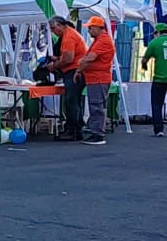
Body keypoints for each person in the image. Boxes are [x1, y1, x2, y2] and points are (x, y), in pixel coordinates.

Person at [45, 16, 87, 141]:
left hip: (74, 71)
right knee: (75, 101)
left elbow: (68, 58)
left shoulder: (69, 36)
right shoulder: (70, 34)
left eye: (53, 28)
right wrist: (58, 59)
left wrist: (54, 65)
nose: (53, 32)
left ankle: (72, 130)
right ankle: (77, 129)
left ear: (60, 25)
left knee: (71, 101)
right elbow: (68, 56)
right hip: (76, 70)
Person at [74, 17, 115, 145]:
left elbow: (90, 58)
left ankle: (97, 134)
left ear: (98, 27)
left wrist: (79, 68)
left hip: (98, 79)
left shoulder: (103, 41)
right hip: (95, 78)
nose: (89, 31)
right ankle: (94, 131)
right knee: (96, 106)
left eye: (90, 28)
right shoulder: (100, 40)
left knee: (96, 106)